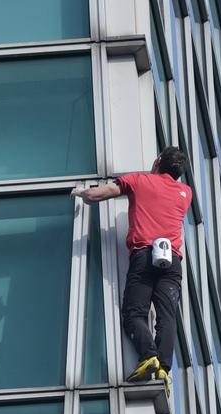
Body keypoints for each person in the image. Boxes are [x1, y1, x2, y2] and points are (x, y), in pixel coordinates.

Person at [71, 146, 191, 395]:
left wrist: (81, 192)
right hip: (172, 261)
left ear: (158, 160)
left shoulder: (138, 180)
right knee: (167, 316)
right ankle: (164, 370)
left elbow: (96, 195)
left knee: (133, 313)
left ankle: (148, 357)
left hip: (145, 255)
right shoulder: (185, 193)